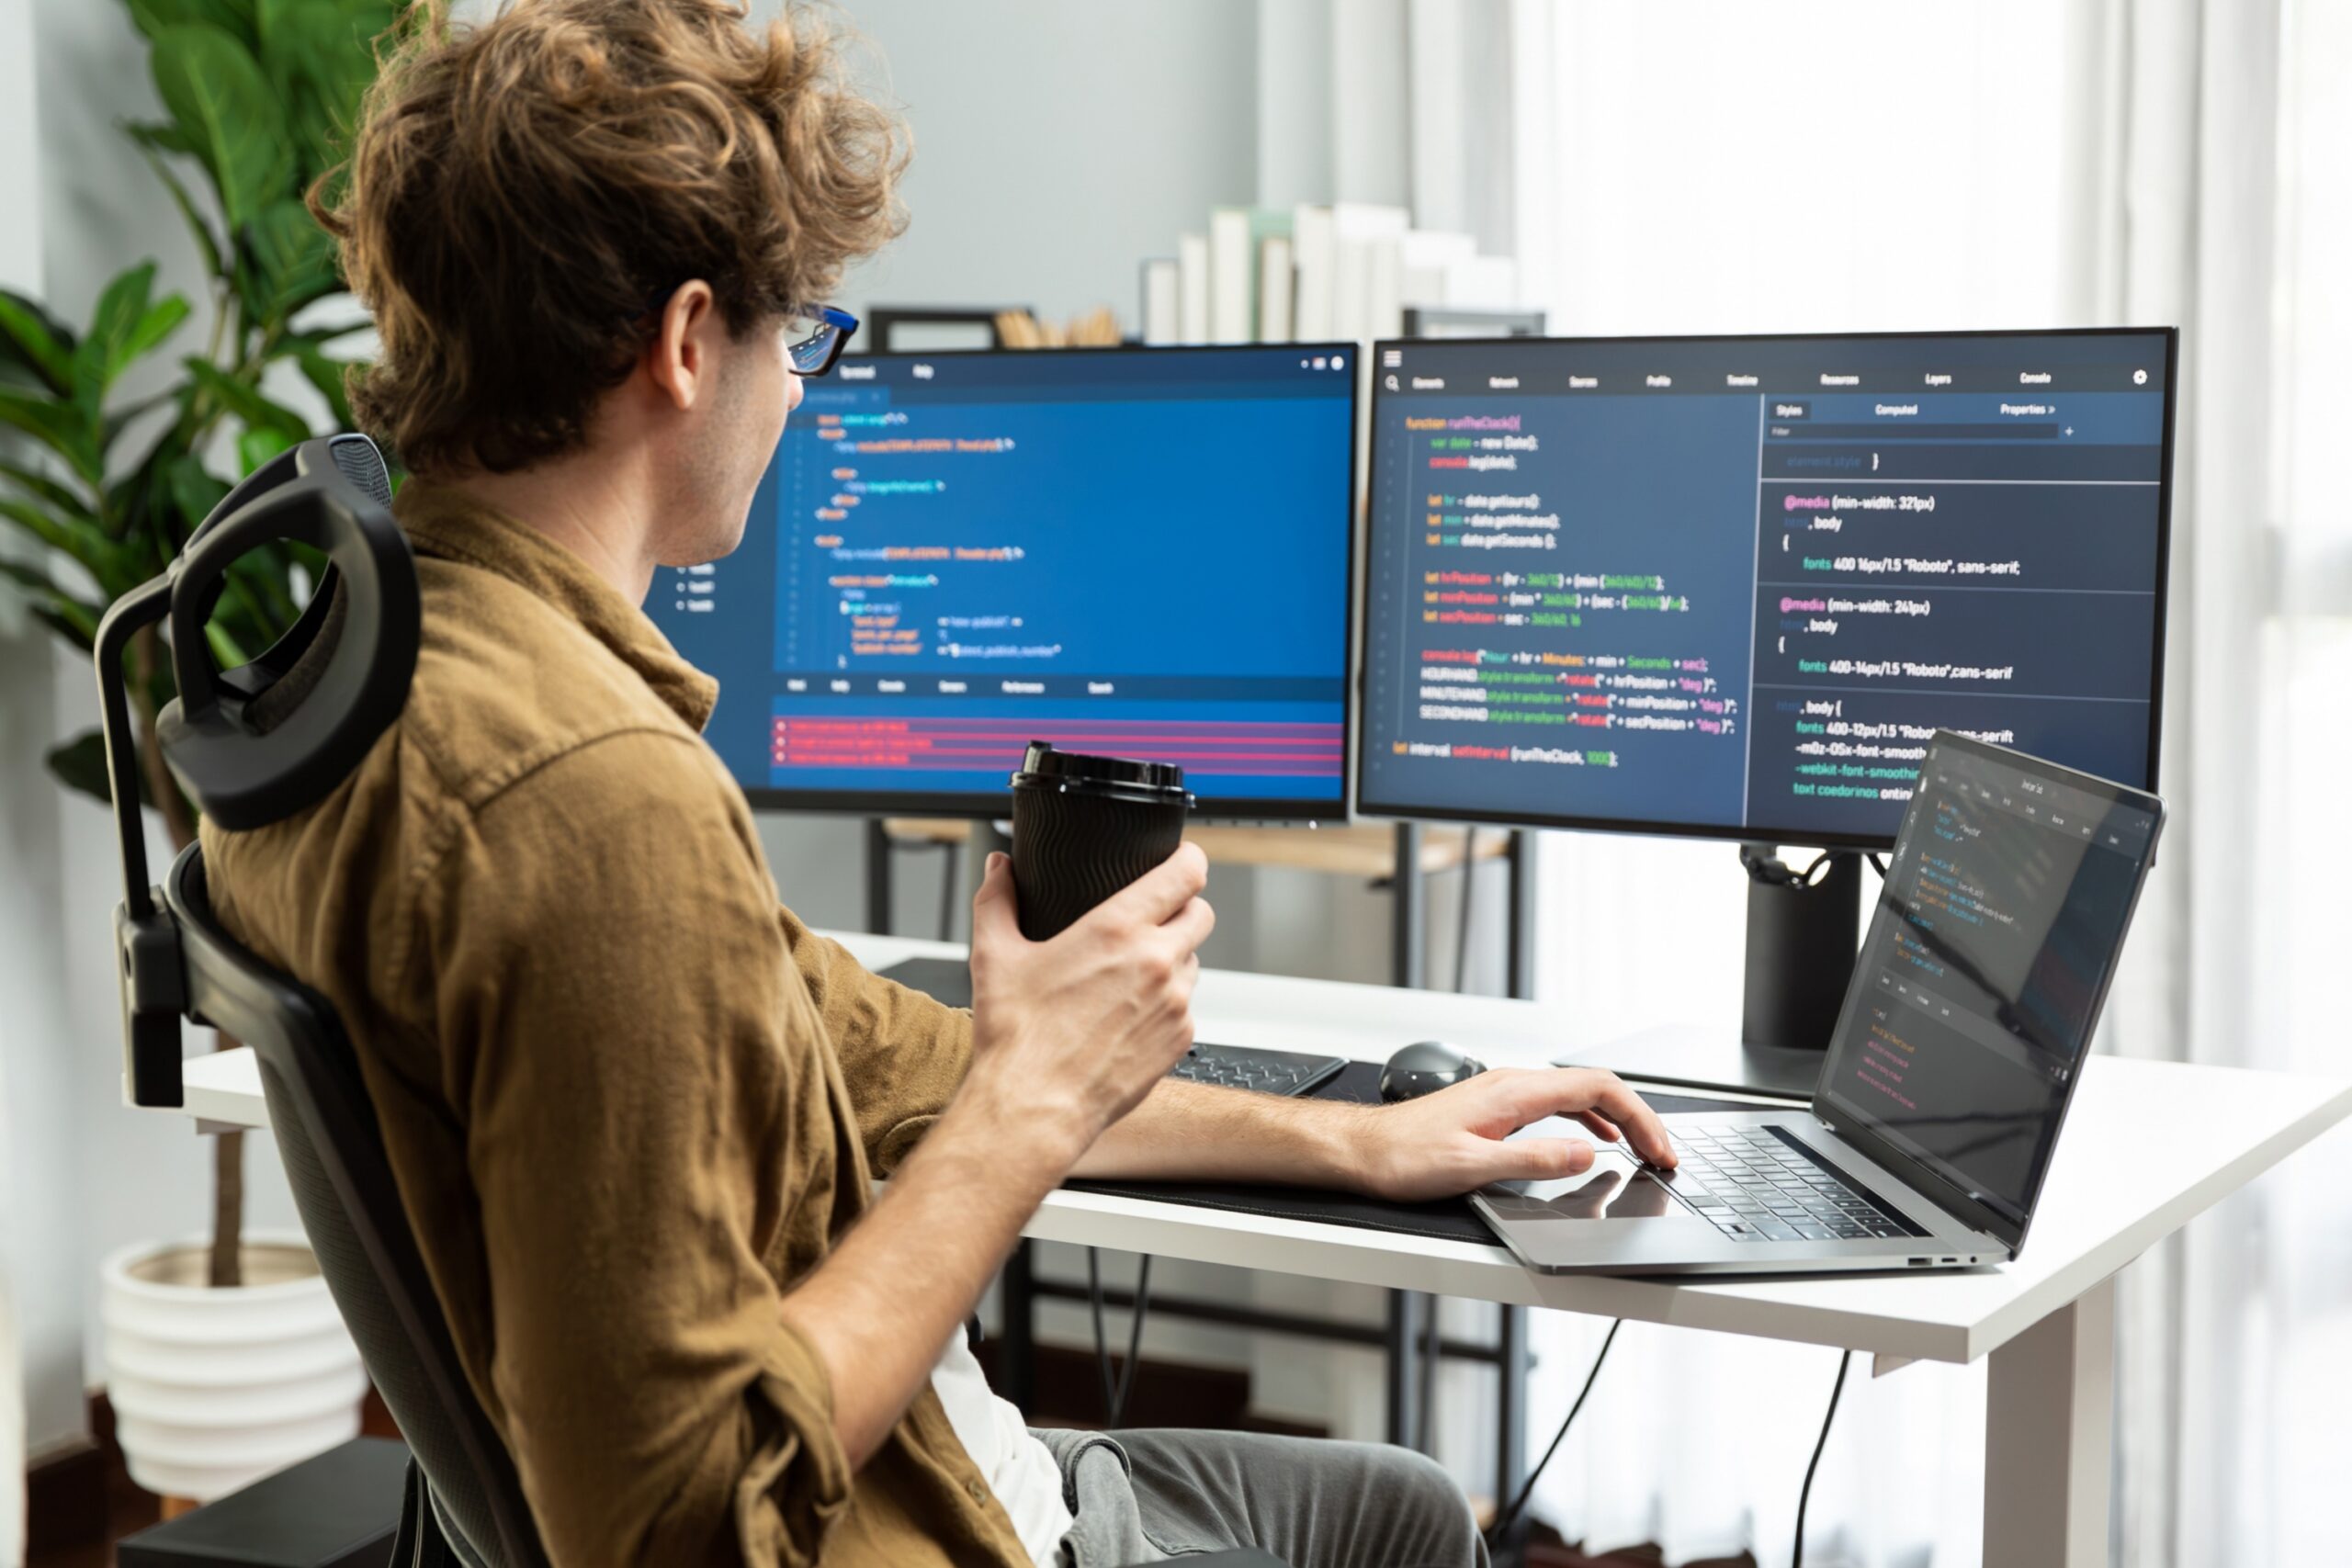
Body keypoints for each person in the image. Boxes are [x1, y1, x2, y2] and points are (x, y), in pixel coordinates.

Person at [201, 3, 1677, 1564]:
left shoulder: (373, 671)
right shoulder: (596, 800)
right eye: (799, 339)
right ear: (689, 344)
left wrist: (1360, 1140)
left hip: (927, 1457)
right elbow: (670, 1530)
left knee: (1398, 1504)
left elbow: (864, 1046)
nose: (801, 395)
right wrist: (1032, 1102)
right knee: (1407, 1527)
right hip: (916, 1525)